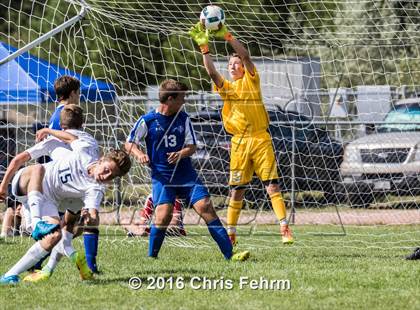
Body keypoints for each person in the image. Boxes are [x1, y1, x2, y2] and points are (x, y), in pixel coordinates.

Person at [189, 22, 293, 245]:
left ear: (244, 69)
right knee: (237, 191)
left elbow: (245, 55)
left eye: (236, 64)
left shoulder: (251, 81)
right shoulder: (226, 88)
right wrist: (204, 48)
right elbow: (211, 71)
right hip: (239, 144)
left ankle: (284, 228)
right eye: (230, 64)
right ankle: (232, 233)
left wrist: (227, 35)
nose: (233, 66)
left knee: (272, 186)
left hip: (260, 139)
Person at [125, 79, 249, 261]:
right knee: (163, 216)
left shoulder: (184, 119)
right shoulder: (148, 120)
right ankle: (152, 257)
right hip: (163, 178)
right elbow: (129, 143)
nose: (184, 102)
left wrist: (181, 153)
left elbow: (192, 146)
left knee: (206, 206)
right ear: (170, 99)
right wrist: (139, 154)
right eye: (181, 98)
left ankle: (230, 255)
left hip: (186, 176)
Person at [0, 130, 131, 284]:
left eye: (112, 176)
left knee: (55, 237)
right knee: (39, 168)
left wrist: (89, 217)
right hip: (25, 182)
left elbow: (94, 213)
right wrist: (47, 130)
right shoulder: (85, 151)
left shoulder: (96, 189)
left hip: (47, 201)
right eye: (107, 170)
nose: (107, 176)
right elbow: (71, 138)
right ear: (101, 160)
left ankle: (9, 275)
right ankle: (36, 224)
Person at [48, 76, 100, 274]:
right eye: (78, 93)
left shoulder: (60, 114)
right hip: (68, 179)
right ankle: (90, 266)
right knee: (85, 220)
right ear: (72, 94)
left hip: (64, 177)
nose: (79, 96)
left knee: (70, 224)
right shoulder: (64, 115)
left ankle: (45, 263)